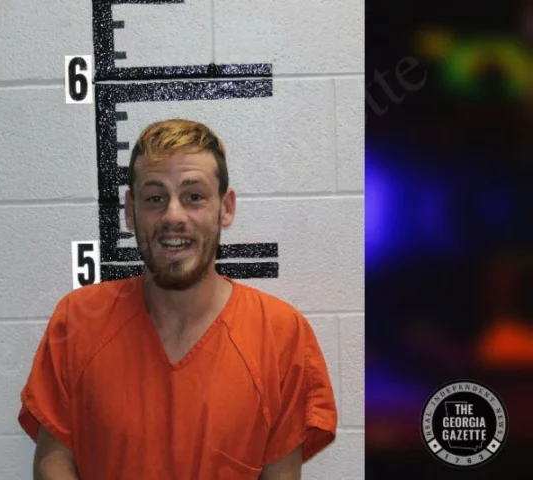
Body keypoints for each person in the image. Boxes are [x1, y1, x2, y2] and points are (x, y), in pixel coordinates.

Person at [18, 119, 337, 479]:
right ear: (130, 211)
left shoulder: (281, 335)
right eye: (155, 198)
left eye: (194, 197)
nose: (173, 215)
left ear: (226, 207)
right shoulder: (77, 320)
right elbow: (52, 462)